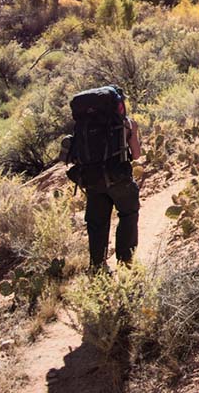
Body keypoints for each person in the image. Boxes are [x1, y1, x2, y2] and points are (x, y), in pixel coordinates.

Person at [64, 85, 143, 271]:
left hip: (92, 181)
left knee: (97, 224)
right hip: (119, 178)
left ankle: (98, 266)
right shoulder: (125, 124)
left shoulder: (83, 127)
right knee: (128, 214)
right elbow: (137, 154)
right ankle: (125, 262)